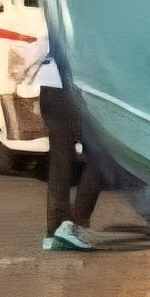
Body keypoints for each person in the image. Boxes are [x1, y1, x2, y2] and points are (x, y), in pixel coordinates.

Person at [15, 31, 101, 250]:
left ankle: (54, 231)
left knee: (60, 157)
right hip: (85, 88)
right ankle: (75, 224)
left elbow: (44, 41)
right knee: (103, 155)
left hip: (53, 87)